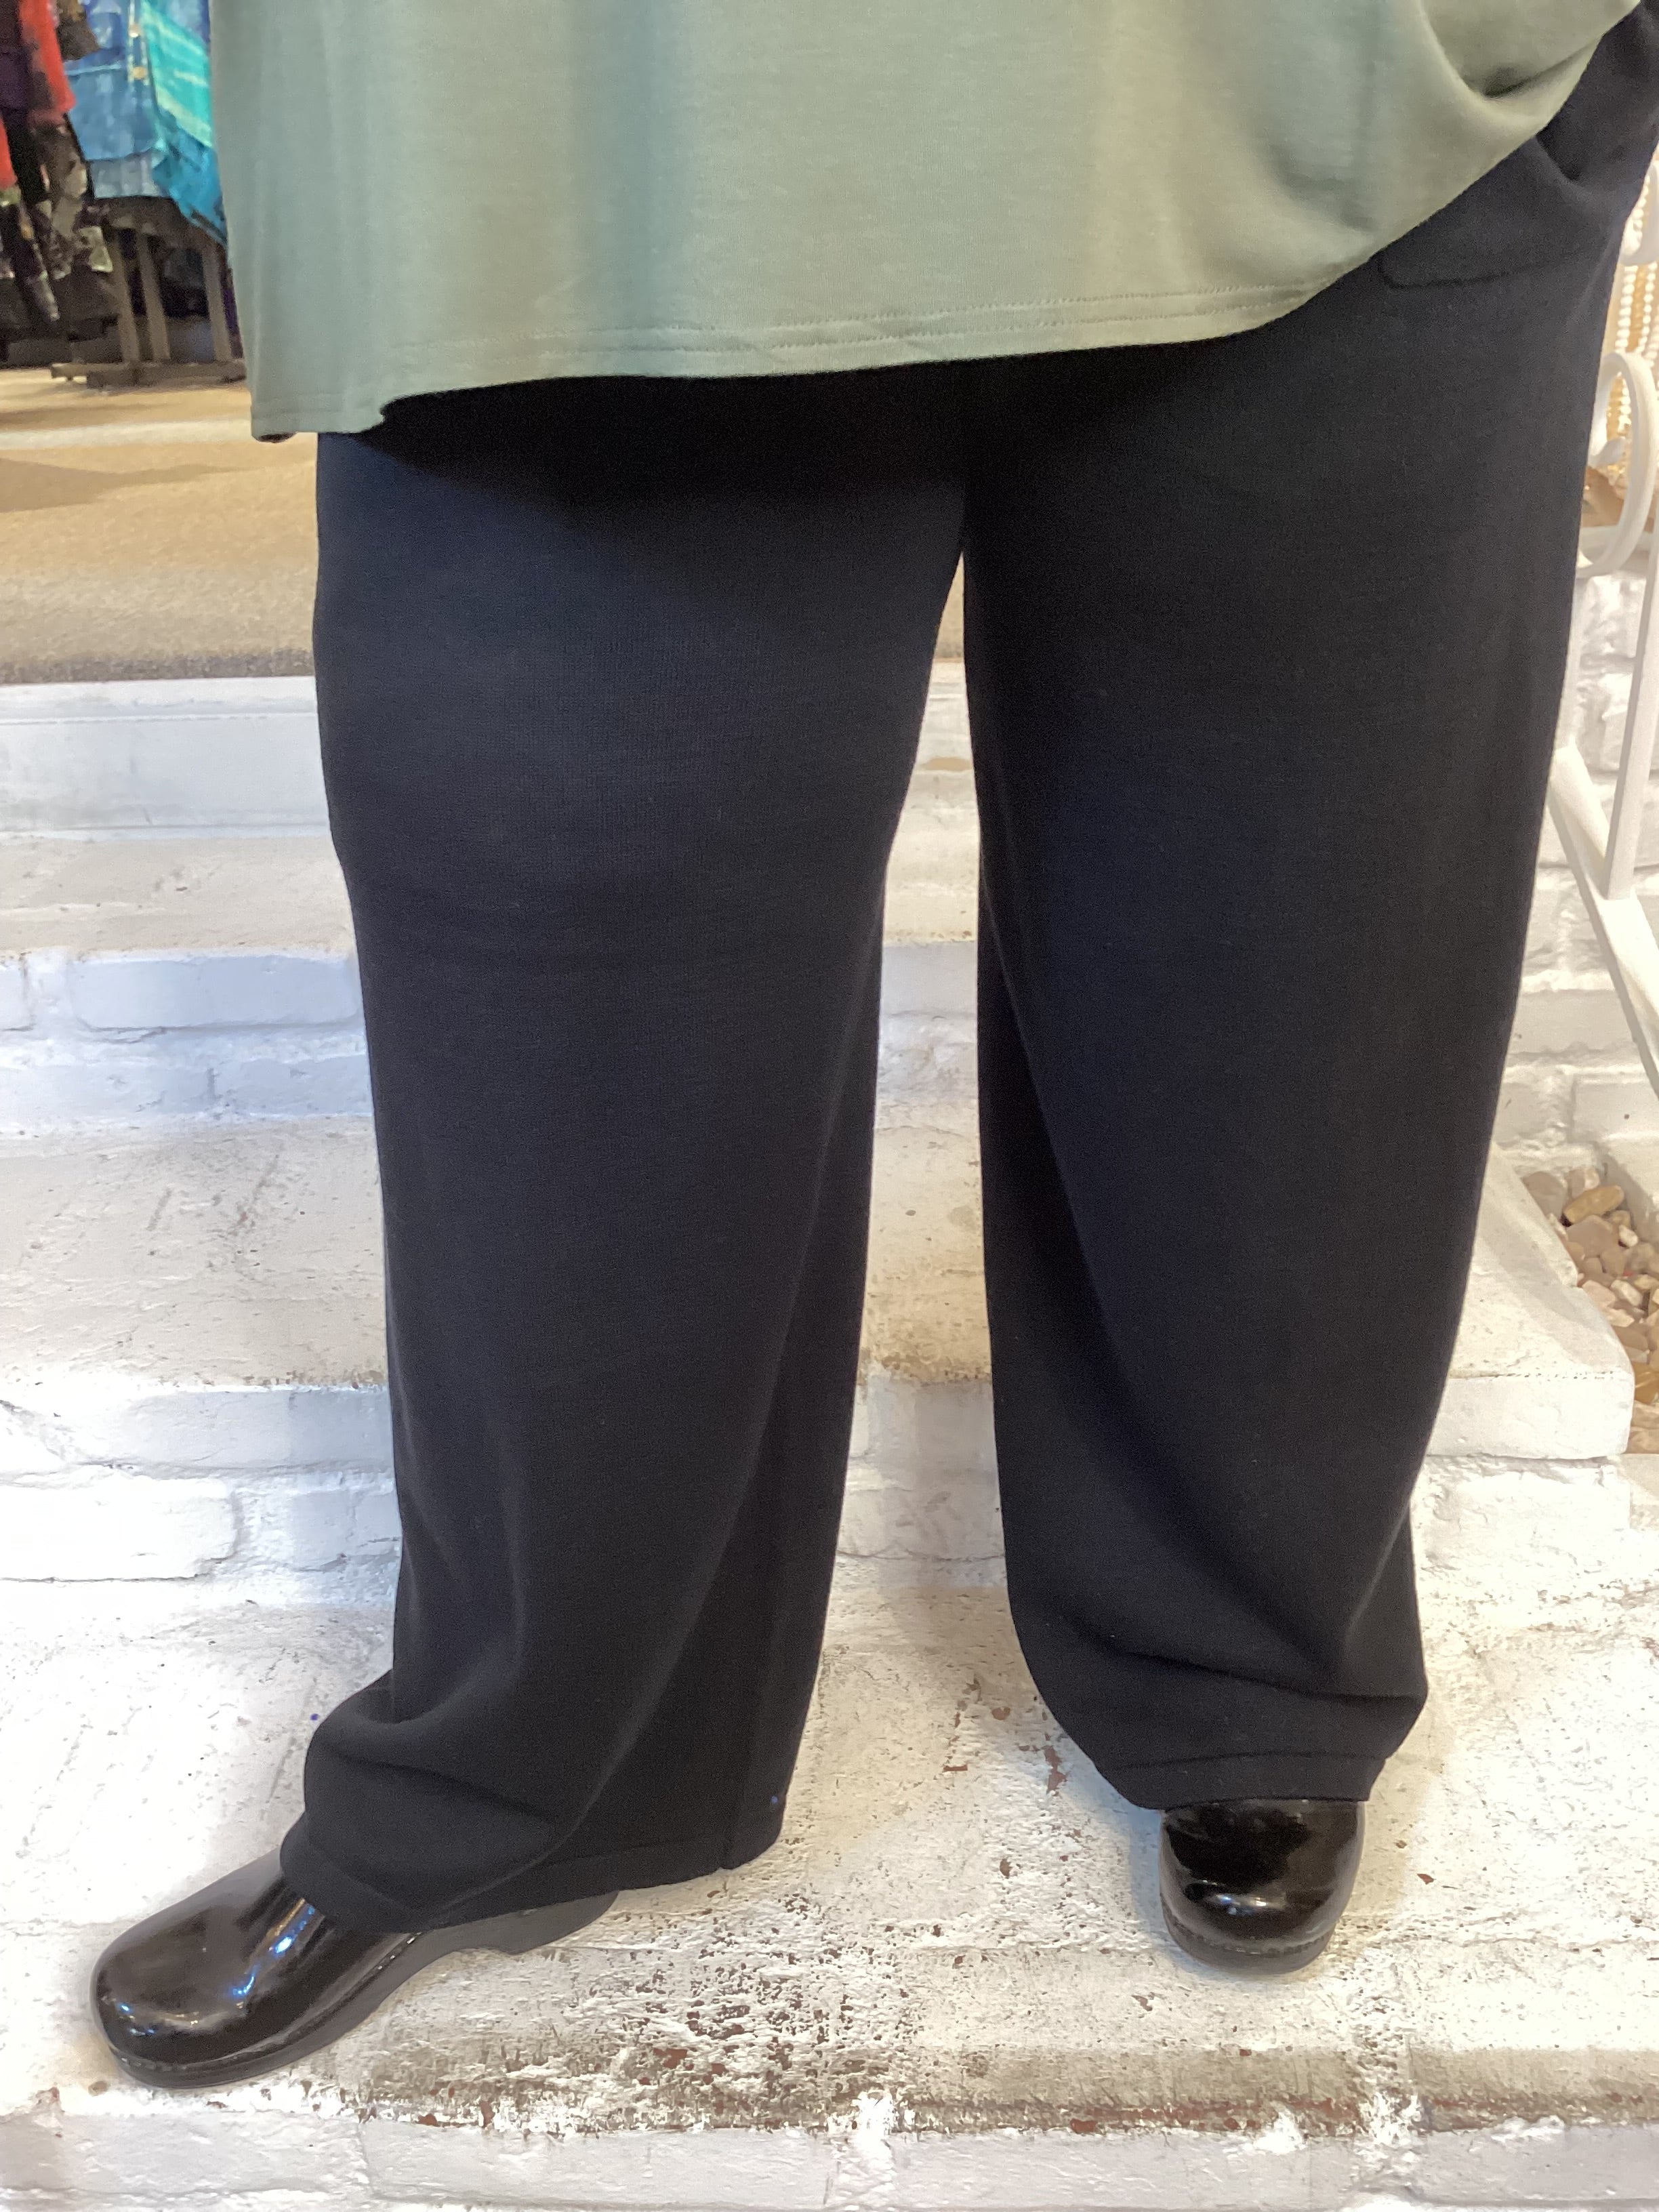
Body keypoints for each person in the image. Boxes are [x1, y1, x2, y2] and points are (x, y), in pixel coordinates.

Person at [91, 1, 1659, 2089]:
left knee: (1299, 979)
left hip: (1348, 75)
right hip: (579, 94)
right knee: (560, 1020)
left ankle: (1248, 1669)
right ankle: (528, 1765)